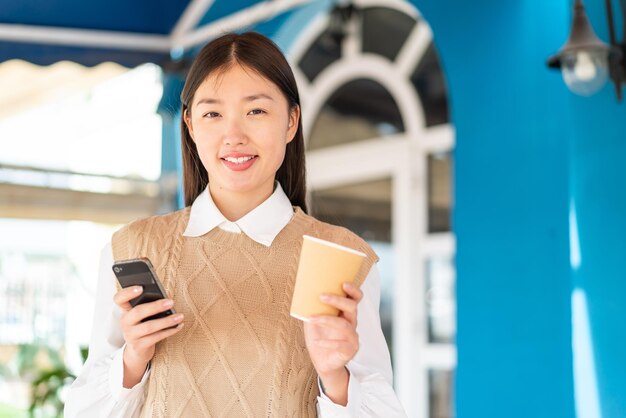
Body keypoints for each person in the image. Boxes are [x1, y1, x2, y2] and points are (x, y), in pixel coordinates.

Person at [64, 32, 407, 418]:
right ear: (191, 126)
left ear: (291, 121)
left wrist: (335, 378)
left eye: (256, 111)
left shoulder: (341, 259)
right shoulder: (133, 248)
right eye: (213, 113)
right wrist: (132, 362)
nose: (234, 136)